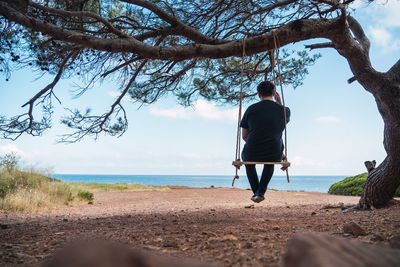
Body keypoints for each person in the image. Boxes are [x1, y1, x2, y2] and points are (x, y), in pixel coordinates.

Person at [240, 81, 290, 203]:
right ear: (274, 93)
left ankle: (257, 192)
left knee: (247, 159)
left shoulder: (251, 109)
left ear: (258, 94)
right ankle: (260, 192)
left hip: (252, 150)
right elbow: (282, 119)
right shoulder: (285, 110)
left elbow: (244, 136)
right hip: (274, 151)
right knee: (270, 161)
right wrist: (279, 102)